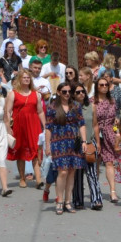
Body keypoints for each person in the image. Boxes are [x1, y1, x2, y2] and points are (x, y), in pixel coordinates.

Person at [44, 82, 87, 214]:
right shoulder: (52, 108)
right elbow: (48, 128)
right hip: (58, 143)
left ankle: (68, 201)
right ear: (58, 92)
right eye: (64, 91)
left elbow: (81, 124)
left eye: (69, 91)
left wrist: (84, 141)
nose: (67, 94)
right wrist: (47, 145)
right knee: (62, 172)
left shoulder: (76, 106)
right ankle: (59, 200)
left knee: (71, 172)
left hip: (74, 142)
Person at [5, 69, 45, 188]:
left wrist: (45, 125)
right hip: (19, 125)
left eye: (28, 77)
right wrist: (8, 127)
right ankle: (22, 178)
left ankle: (38, 179)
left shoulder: (36, 94)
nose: (26, 79)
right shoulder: (13, 93)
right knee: (21, 150)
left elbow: (40, 111)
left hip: (33, 124)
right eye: (24, 77)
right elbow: (7, 111)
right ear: (19, 79)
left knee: (35, 150)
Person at [70, 83, 103, 211]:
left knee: (92, 173)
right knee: (77, 174)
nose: (81, 94)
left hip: (90, 142)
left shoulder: (91, 107)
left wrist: (98, 142)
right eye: (77, 92)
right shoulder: (71, 108)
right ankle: (78, 200)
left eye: (82, 91)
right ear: (73, 94)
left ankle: (96, 200)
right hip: (76, 144)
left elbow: (95, 125)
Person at [93, 75, 120, 204]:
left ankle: (113, 191)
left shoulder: (112, 101)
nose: (104, 87)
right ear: (97, 87)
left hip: (109, 133)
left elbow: (115, 117)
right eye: (101, 85)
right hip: (96, 133)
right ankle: (96, 189)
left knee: (109, 162)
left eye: (106, 85)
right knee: (96, 162)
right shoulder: (92, 101)